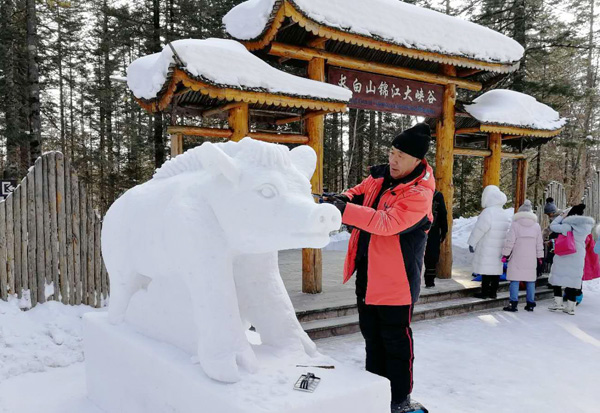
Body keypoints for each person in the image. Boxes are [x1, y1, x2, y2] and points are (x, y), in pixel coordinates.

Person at [327, 123, 434, 413]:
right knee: (371, 339)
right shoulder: (379, 177)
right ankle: (374, 393)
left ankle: (400, 400)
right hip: (368, 274)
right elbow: (357, 192)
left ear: (417, 160)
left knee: (396, 346)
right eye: (392, 152)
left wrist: (344, 211)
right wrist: (339, 200)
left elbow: (386, 224)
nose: (393, 160)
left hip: (396, 284)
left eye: (401, 155)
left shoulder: (419, 193)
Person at [547, 204, 595, 315]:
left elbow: (553, 225)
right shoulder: (586, 227)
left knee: (557, 279)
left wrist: (562, 216)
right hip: (578, 255)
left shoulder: (567, 226)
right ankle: (571, 308)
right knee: (574, 281)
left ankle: (558, 304)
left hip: (564, 254)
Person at [468, 185, 511, 299]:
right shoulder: (503, 213)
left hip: (488, 246)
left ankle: (484, 292)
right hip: (499, 247)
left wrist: (472, 242)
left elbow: (480, 229)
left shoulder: (488, 212)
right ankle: (493, 292)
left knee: (486, 270)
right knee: (496, 270)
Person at [501, 200, 544, 312]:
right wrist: (540, 257)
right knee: (530, 281)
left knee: (514, 280)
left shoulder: (515, 225)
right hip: (531, 258)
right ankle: (530, 303)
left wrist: (505, 254)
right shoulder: (536, 226)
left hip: (517, 257)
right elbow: (539, 243)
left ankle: (513, 304)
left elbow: (510, 241)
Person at [423, 191, 448, 288]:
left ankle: (410, 279)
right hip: (433, 228)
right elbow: (443, 213)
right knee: (432, 254)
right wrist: (444, 230)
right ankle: (429, 280)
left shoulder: (416, 191)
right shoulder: (437, 194)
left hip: (417, 228)